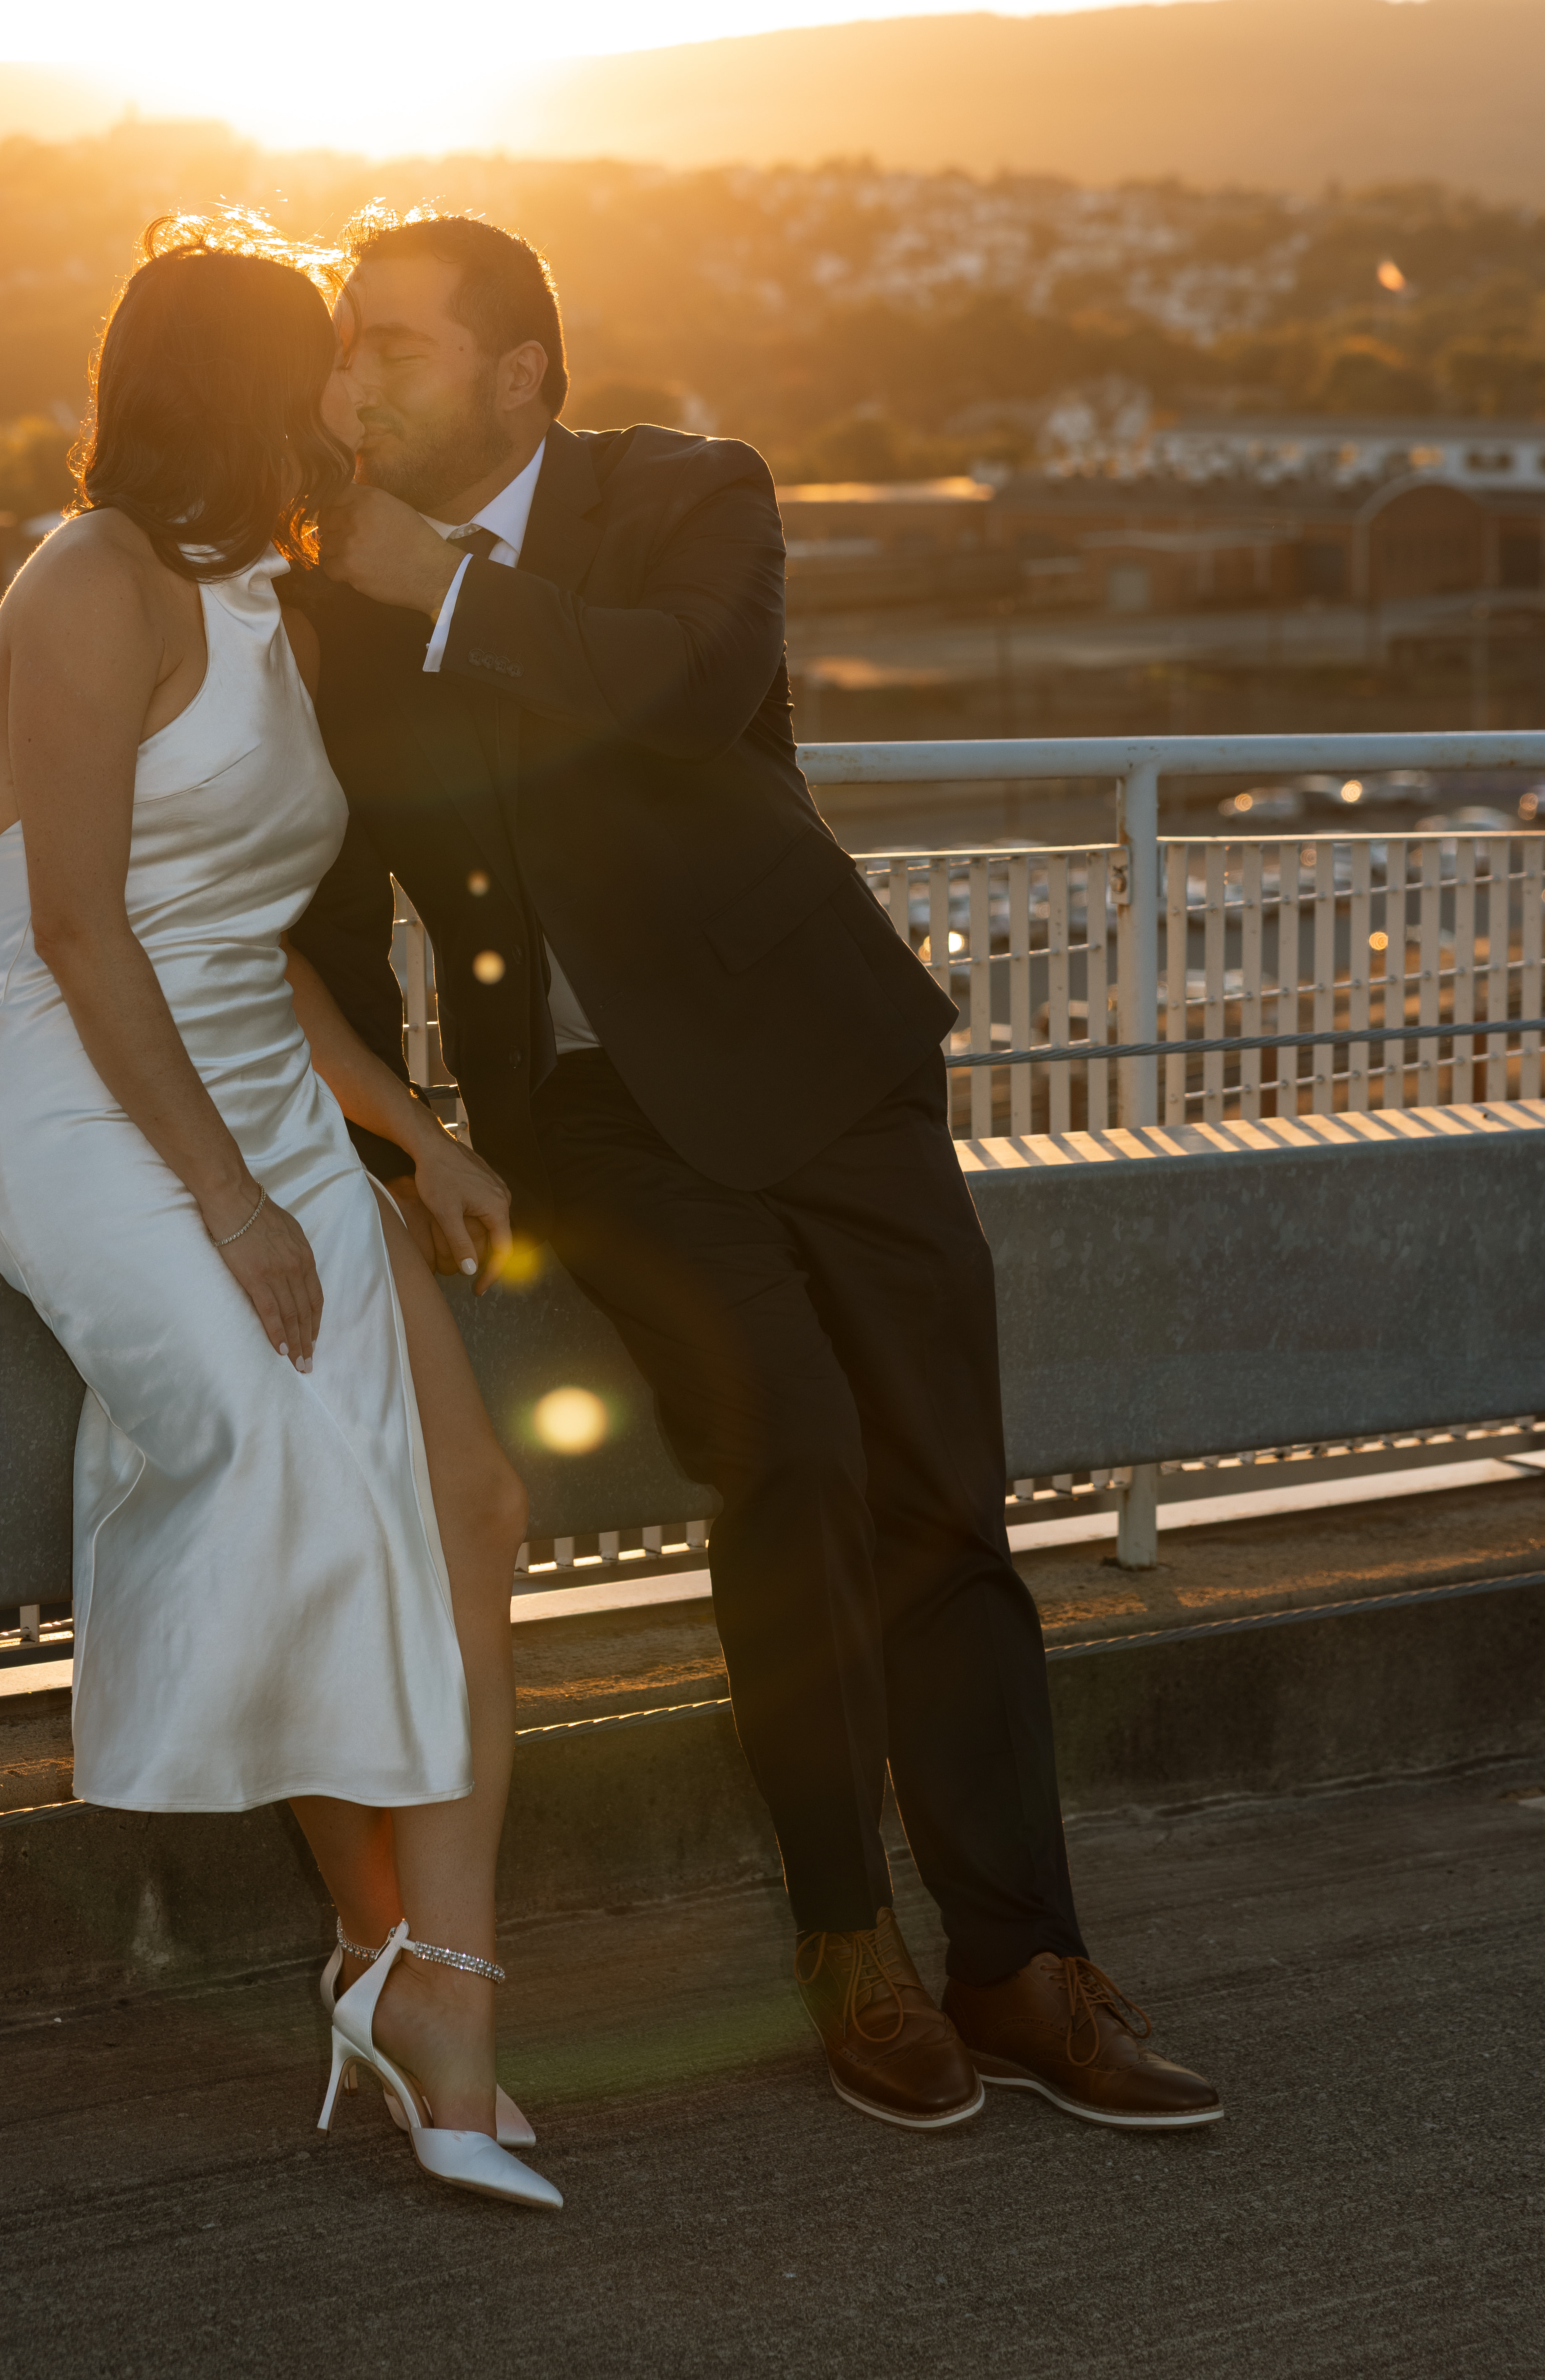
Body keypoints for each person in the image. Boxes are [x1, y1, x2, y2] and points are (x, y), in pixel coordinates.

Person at [286, 206, 1222, 2135]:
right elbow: (323, 907)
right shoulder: (328, 607)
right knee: (788, 1446)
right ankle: (845, 1938)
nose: (351, 375)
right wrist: (397, 1133)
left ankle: (1022, 1958)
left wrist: (447, 594)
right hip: (589, 1122)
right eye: (343, 343)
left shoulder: (690, 494)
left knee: (946, 1499)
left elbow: (685, 688)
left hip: (824, 1064)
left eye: (391, 341)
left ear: (522, 372)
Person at [0, 219, 561, 2211]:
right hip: (81, 1092)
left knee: (468, 1496)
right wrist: (229, 1202)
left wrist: (403, 1135)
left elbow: (253, 945)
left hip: (260, 1084)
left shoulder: (269, 603)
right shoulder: (88, 581)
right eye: (320, 359)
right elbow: (78, 921)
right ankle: (395, 1963)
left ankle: (432, 1982)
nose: (344, 394)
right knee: (273, 1429)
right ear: (236, 377)